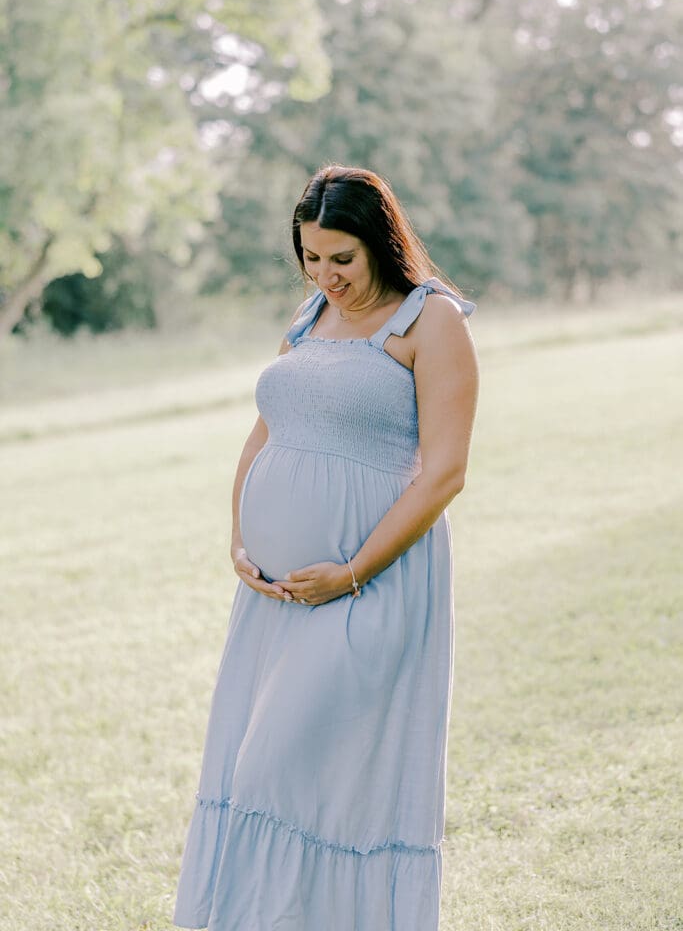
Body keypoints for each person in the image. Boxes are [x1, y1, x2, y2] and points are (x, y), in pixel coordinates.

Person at [173, 164, 479, 931]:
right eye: (311, 258)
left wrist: (349, 573)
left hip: (368, 587)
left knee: (288, 774)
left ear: (381, 242)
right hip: (275, 598)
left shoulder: (429, 321)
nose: (325, 275)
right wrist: (240, 538)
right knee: (260, 775)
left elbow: (443, 474)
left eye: (341, 258)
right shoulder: (308, 319)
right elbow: (265, 434)